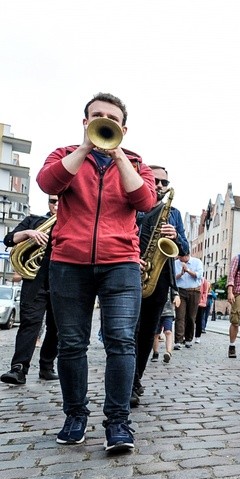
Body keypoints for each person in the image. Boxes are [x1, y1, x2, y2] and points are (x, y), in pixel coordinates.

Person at [36, 92, 156, 451]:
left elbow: (146, 202)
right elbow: (48, 184)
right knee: (72, 343)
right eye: (97, 116)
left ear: (124, 127)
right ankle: (75, 415)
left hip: (119, 263)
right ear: (85, 121)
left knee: (121, 341)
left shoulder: (135, 163)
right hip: (69, 263)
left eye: (112, 118)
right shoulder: (64, 155)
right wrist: (85, 148)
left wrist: (118, 156)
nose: (105, 121)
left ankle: (118, 423)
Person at [132, 165, 189, 406]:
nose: (159, 186)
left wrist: (175, 236)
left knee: (146, 333)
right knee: (126, 333)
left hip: (159, 278)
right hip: (128, 272)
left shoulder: (173, 213)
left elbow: (184, 252)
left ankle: (135, 380)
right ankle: (125, 380)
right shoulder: (132, 205)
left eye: (164, 183)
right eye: (154, 180)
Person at [1, 195, 60, 385]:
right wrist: (29, 233)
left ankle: (47, 366)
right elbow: (9, 240)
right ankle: (18, 368)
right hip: (35, 281)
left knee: (57, 327)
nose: (57, 204)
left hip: (62, 280)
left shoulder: (73, 221)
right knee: (29, 324)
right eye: (53, 201)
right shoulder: (34, 220)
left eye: (61, 200)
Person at [173, 252, 204, 348]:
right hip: (180, 291)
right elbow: (173, 278)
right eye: (179, 256)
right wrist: (181, 273)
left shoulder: (197, 262)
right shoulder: (175, 263)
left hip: (194, 291)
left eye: (181, 256)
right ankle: (178, 340)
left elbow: (199, 275)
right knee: (180, 316)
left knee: (191, 316)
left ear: (187, 255)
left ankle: (188, 339)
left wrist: (188, 270)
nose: (179, 258)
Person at [151, 288, 180, 363]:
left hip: (168, 312)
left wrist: (176, 297)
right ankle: (155, 353)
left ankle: (168, 352)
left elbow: (175, 291)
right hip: (156, 312)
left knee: (168, 332)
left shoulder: (170, 283)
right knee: (156, 334)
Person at [194, 276, 211, 343]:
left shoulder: (204, 281)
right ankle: (186, 336)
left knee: (199, 319)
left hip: (200, 303)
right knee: (189, 319)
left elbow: (205, 292)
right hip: (192, 301)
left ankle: (198, 336)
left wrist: (202, 301)